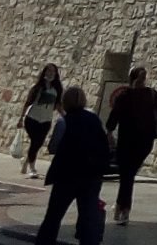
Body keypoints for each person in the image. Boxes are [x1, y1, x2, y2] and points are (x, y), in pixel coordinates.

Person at [33, 87, 111, 245]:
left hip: (66, 174)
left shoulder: (64, 121)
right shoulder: (94, 119)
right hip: (91, 175)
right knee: (88, 216)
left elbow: (53, 146)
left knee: (54, 216)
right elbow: (104, 144)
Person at [105, 67, 157, 226]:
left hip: (130, 140)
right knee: (129, 174)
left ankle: (123, 208)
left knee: (127, 174)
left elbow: (114, 116)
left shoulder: (125, 95)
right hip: (143, 140)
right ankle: (122, 207)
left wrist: (109, 132)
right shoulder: (150, 94)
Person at [20, 64, 66, 179]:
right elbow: (28, 103)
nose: (50, 73)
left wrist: (66, 117)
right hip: (32, 118)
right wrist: (20, 119)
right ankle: (32, 168)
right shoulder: (38, 87)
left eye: (53, 71)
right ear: (44, 72)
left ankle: (27, 161)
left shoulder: (57, 89)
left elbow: (58, 105)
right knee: (35, 142)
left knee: (37, 143)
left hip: (45, 120)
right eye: (48, 71)